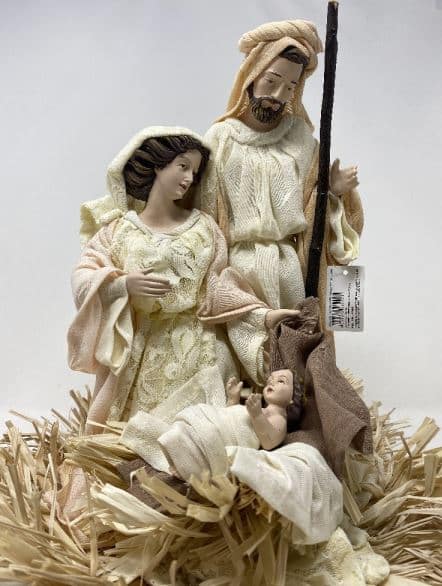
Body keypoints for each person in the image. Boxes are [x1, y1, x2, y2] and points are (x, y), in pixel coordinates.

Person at [68, 126, 297, 435]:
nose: (189, 178)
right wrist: (122, 285)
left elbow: (217, 290)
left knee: (202, 433)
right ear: (158, 165)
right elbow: (83, 275)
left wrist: (264, 316)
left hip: (198, 349)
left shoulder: (204, 228)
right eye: (183, 166)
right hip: (141, 350)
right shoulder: (119, 230)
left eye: (195, 172)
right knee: (132, 435)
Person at [198, 19, 363, 316]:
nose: (277, 97)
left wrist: (333, 193)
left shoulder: (300, 139)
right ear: (251, 76)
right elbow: (204, 214)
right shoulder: (220, 139)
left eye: (289, 87)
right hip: (236, 272)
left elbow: (314, 211)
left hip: (290, 270)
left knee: (292, 335)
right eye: (271, 82)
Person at [120, 368, 343, 545]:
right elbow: (231, 413)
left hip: (228, 437)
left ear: (293, 399)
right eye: (271, 378)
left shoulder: (279, 419)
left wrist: (257, 415)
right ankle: (176, 457)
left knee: (204, 440)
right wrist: (234, 398)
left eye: (281, 381)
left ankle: (185, 466)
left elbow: (269, 441)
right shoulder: (257, 404)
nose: (272, 382)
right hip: (221, 421)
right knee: (189, 429)